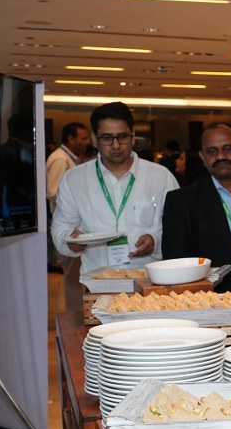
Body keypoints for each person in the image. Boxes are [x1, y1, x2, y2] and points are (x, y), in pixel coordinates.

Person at [51, 101, 178, 280]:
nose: (116, 145)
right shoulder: (74, 179)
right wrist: (70, 241)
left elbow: (179, 228)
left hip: (150, 280)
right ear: (94, 139)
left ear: (133, 136)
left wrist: (155, 241)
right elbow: (61, 227)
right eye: (107, 138)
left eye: (122, 137)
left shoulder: (160, 177)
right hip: (98, 280)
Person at [161, 123, 231, 294]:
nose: (221, 156)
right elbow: (176, 266)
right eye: (212, 151)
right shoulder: (182, 202)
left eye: (228, 149)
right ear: (202, 157)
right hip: (216, 301)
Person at [46, 122, 93, 310]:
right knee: (73, 277)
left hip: (76, 228)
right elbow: (52, 192)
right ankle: (75, 316)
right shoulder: (60, 159)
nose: (87, 142)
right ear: (70, 139)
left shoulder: (70, 159)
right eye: (83, 138)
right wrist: (76, 201)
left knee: (76, 276)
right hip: (69, 227)